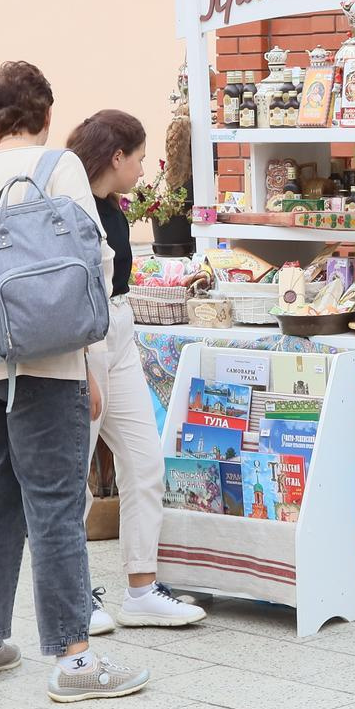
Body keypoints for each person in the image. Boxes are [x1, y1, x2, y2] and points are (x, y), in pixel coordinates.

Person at [0, 62, 147, 703]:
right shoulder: (62, 168)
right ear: (48, 114)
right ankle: (74, 659)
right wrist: (91, 357)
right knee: (54, 503)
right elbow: (95, 264)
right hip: (45, 361)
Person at [67, 109, 203, 630]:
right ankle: (74, 594)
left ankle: (141, 587)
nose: (145, 171)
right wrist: (84, 365)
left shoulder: (110, 204)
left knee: (145, 462)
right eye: (140, 159)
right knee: (73, 471)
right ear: (116, 157)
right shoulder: (76, 207)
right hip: (87, 340)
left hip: (119, 331)